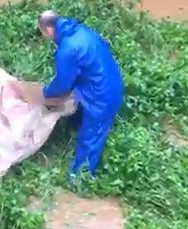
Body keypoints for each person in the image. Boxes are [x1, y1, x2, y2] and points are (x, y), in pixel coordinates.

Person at [18, 10, 124, 178]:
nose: (46, 37)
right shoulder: (80, 30)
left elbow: (63, 85)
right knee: (78, 110)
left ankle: (81, 177)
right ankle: (73, 128)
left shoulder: (67, 50)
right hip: (111, 78)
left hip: (102, 94)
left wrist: (45, 93)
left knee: (93, 134)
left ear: (49, 30)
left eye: (44, 33)